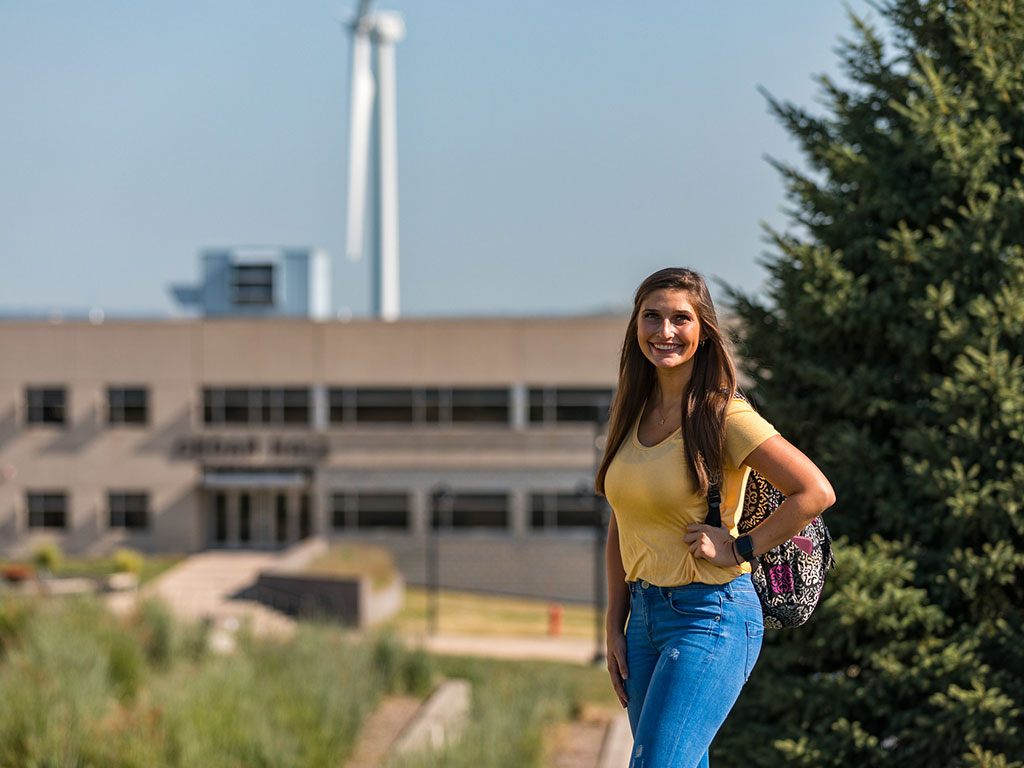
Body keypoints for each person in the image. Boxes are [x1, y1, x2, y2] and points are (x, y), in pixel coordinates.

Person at [596, 267, 835, 767]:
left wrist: (740, 547)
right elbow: (622, 520)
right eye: (652, 317)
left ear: (703, 330)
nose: (664, 332)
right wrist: (614, 623)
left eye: (680, 318)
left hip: (711, 613)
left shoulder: (723, 414)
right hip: (643, 621)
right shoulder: (631, 411)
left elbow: (814, 491)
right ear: (635, 326)